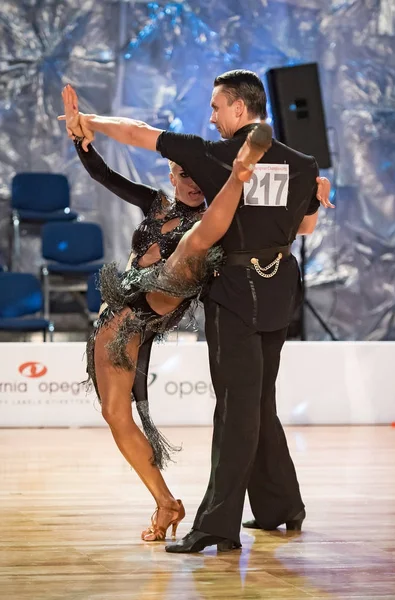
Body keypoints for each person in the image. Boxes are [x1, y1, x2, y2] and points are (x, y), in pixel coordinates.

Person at [59, 72, 332, 553]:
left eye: (216, 107)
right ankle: (280, 506)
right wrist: (317, 195)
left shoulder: (211, 154)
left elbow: (138, 132)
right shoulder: (304, 163)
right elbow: (306, 223)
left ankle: (215, 526)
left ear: (238, 111)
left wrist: (89, 122)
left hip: (233, 288)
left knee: (235, 408)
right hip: (277, 288)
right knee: (258, 403)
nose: (211, 116)